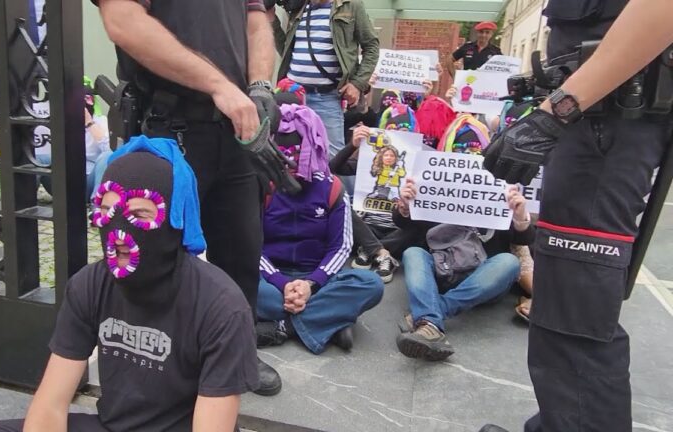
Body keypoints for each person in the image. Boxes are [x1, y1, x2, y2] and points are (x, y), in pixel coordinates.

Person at [0, 138, 258, 432]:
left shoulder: (221, 306)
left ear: (175, 221)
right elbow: (50, 403)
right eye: (109, 211)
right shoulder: (90, 284)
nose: (119, 230)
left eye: (139, 214)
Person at [479, 0, 673, 430]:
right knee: (562, 302)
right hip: (595, 116)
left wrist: (556, 111)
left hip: (609, 118)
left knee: (576, 313)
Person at [95, 0, 282, 395]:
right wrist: (219, 85)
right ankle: (152, 362)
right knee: (156, 253)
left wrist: (260, 85)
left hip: (235, 127)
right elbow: (123, 20)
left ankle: (236, 353)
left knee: (241, 253)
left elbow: (257, 20)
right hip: (168, 125)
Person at [256, 104, 384, 353]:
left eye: (296, 152)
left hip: (319, 279)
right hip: (271, 280)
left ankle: (284, 327)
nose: (289, 161)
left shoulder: (332, 188)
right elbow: (252, 247)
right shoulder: (262, 186)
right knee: (234, 284)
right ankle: (332, 319)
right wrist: (282, 283)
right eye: (282, 153)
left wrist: (311, 284)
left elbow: (342, 247)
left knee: (371, 285)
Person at [393, 183, 533, 361]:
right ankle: (431, 320)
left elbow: (525, 238)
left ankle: (428, 317)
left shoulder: (502, 197)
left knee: (509, 262)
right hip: (441, 271)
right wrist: (405, 205)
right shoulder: (438, 193)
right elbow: (402, 222)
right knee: (413, 253)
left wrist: (520, 218)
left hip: (482, 278)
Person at [269, 0, 380, 157]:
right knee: (291, 155)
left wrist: (357, 83)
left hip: (326, 97)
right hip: (293, 97)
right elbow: (286, 48)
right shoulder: (298, 7)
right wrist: (271, 21)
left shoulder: (350, 6)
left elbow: (372, 46)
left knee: (332, 158)